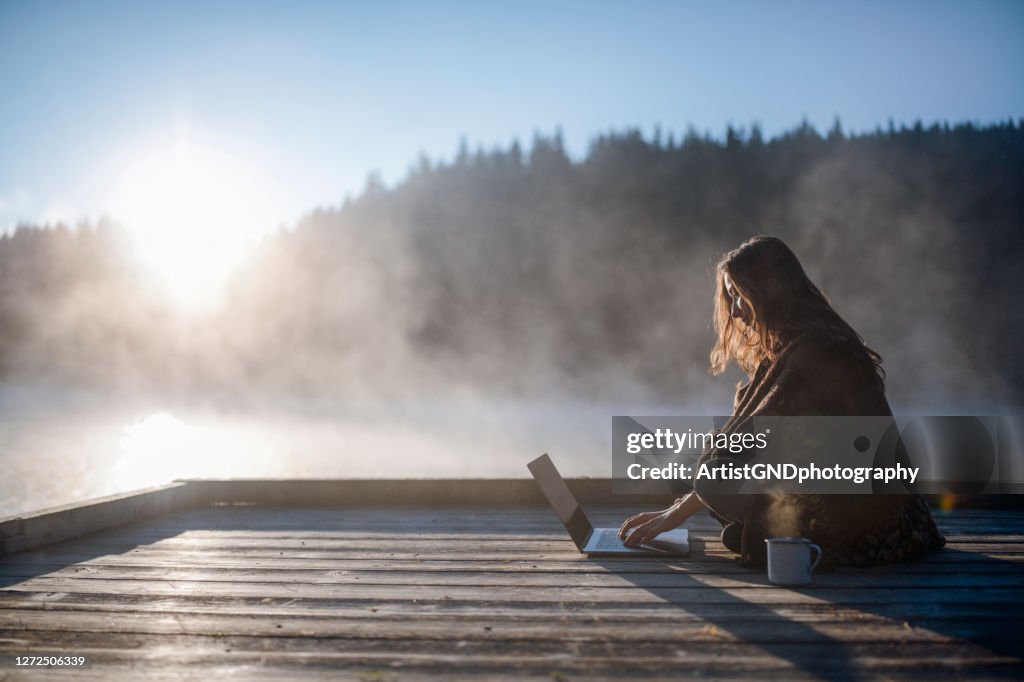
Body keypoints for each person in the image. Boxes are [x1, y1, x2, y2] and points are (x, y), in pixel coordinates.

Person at [617, 236, 945, 567]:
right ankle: (773, 534)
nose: (735, 311)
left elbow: (759, 448)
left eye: (740, 296)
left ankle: (797, 539)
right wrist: (675, 509)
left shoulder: (819, 351)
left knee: (713, 477)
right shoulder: (792, 347)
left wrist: (674, 514)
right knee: (709, 476)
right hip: (858, 505)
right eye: (730, 298)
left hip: (878, 523)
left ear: (770, 292)